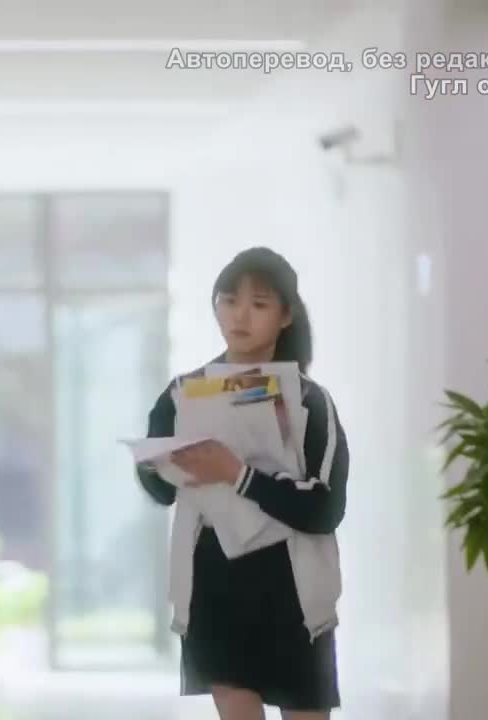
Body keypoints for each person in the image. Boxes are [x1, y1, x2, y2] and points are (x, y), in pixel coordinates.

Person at [136, 247, 349, 720]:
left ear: (286, 315)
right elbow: (162, 490)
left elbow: (325, 508)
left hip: (291, 586)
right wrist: (154, 466)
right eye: (229, 301)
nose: (240, 315)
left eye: (259, 304)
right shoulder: (184, 394)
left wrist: (238, 473)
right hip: (214, 581)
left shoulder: (309, 401)